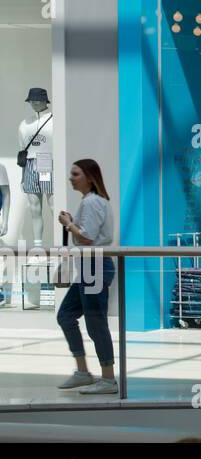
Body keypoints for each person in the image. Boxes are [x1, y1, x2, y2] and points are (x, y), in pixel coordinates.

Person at [55, 160, 118, 395]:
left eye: (75, 174)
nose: (71, 178)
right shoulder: (93, 202)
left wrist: (69, 224)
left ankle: (109, 378)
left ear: (89, 177)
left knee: (95, 322)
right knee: (66, 316)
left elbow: (88, 238)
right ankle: (83, 372)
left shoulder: (92, 202)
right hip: (91, 267)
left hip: (95, 266)